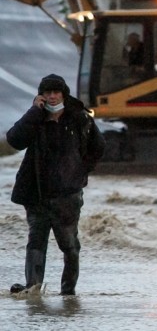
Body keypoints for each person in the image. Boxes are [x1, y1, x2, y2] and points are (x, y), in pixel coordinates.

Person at [7, 74, 105, 296]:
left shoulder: (79, 118)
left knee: (69, 245)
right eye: (47, 93)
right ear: (41, 96)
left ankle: (68, 291)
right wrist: (34, 112)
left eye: (56, 92)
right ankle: (32, 288)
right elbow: (14, 140)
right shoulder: (36, 119)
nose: (52, 97)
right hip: (37, 194)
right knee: (35, 242)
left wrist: (80, 172)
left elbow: (98, 147)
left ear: (63, 94)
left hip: (67, 196)